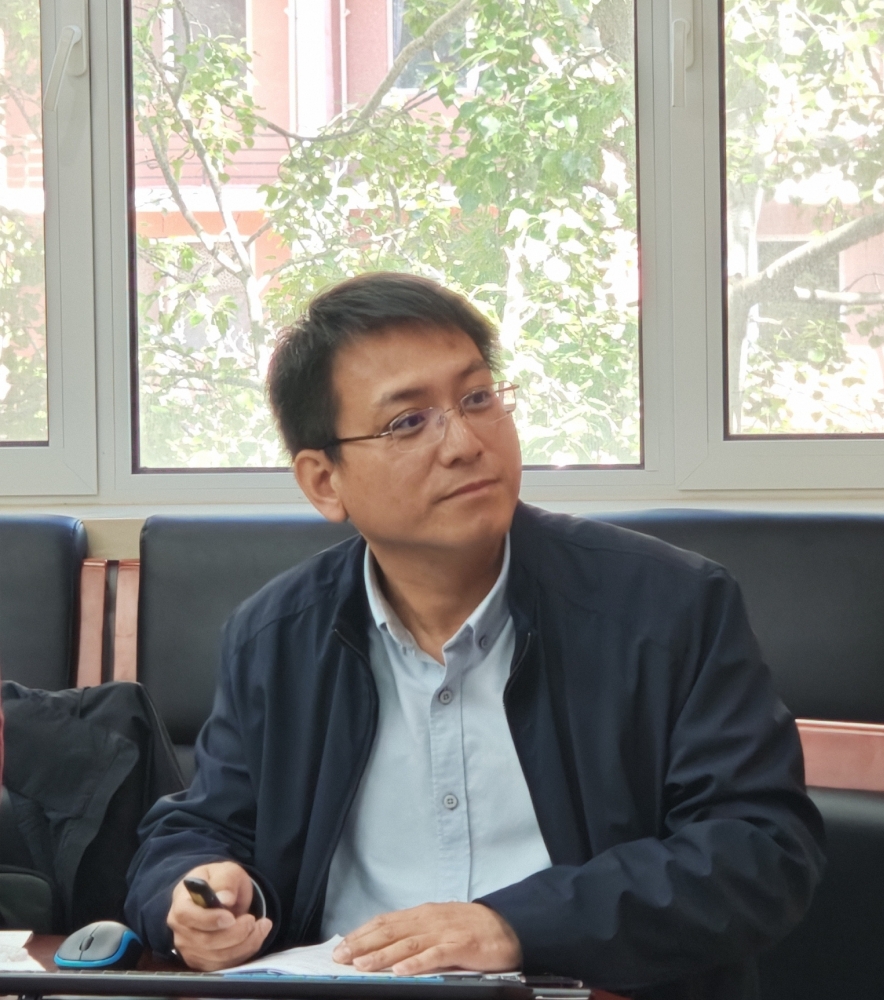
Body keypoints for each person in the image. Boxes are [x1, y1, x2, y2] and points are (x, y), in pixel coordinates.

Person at [124, 273, 825, 1000]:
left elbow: (758, 851)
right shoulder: (274, 639)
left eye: (478, 398)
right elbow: (200, 832)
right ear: (324, 481)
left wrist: (516, 925)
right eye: (408, 422)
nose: (463, 442)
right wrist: (195, 898)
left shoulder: (668, 607)